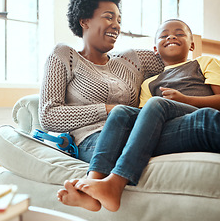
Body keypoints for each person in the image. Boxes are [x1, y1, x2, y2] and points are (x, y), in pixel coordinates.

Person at [57, 19, 220, 212]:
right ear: (155, 49)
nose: (171, 36)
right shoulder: (150, 82)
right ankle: (92, 184)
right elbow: (144, 119)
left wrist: (185, 99)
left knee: (157, 103)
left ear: (192, 45)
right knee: (120, 112)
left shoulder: (204, 62)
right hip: (174, 127)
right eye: (164, 35)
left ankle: (115, 183)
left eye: (180, 33)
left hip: (201, 117)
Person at [39, 0, 164, 165]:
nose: (116, 25)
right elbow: (49, 115)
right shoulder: (64, 55)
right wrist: (109, 109)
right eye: (108, 17)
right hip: (93, 139)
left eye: (119, 20)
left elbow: (176, 61)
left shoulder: (131, 59)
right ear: (84, 21)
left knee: (204, 123)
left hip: (139, 132)